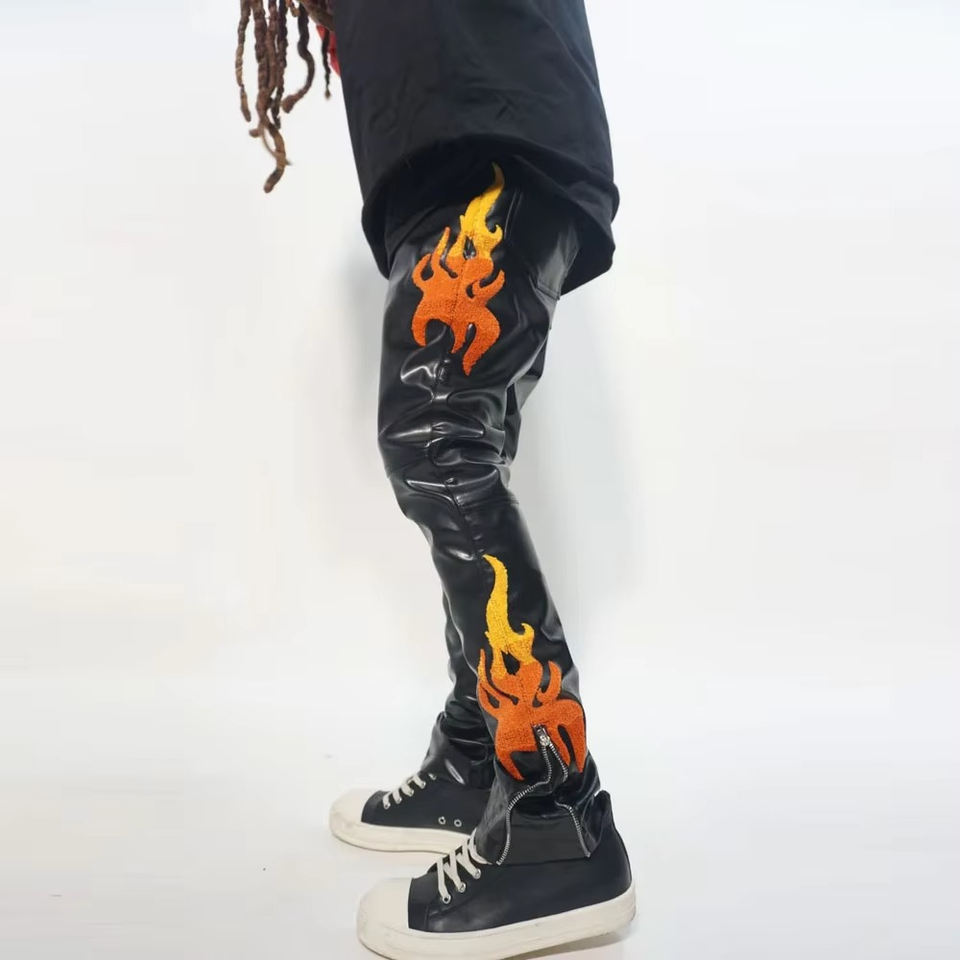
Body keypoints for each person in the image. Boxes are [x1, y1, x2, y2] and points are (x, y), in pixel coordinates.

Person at [235, 2, 635, 957]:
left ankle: (556, 821)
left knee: (437, 438)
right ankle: (475, 756)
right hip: (459, 146)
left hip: (492, 138)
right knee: (458, 441)